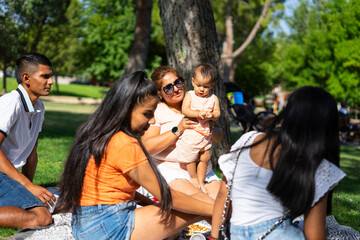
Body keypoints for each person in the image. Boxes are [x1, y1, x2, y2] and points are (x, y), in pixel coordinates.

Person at [57, 71, 214, 240]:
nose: (153, 121)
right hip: (107, 227)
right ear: (126, 110)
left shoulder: (99, 133)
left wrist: (154, 207)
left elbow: (123, 191)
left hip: (86, 225)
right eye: (147, 114)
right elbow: (170, 198)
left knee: (190, 208)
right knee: (195, 208)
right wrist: (218, 209)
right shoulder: (125, 143)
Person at [211, 86, 346, 240]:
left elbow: (223, 194)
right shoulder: (316, 165)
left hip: (236, 234)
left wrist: (215, 236)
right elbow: (314, 235)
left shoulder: (248, 140)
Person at [142, 66, 221, 203]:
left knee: (225, 205)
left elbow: (219, 137)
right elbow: (148, 146)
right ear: (160, 93)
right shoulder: (157, 111)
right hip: (173, 170)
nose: (176, 89)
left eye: (178, 83)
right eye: (168, 88)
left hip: (204, 171)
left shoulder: (199, 100)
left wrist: (210, 129)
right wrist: (178, 129)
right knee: (207, 205)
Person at [0, 53, 56, 229]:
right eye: (45, 76)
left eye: (50, 76)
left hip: (6, 176)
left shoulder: (39, 107)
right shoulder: (11, 102)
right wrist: (27, 185)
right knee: (42, 217)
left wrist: (29, 188)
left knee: (57, 203)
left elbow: (32, 153)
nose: (51, 81)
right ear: (26, 78)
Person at [178, 64, 220, 194]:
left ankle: (201, 180)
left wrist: (212, 115)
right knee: (190, 158)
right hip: (192, 133)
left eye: (205, 87)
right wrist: (197, 114)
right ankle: (194, 177)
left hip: (205, 135)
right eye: (198, 85)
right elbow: (184, 109)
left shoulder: (213, 98)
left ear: (212, 85)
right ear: (192, 82)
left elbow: (218, 113)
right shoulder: (190, 95)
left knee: (205, 157)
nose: (201, 89)